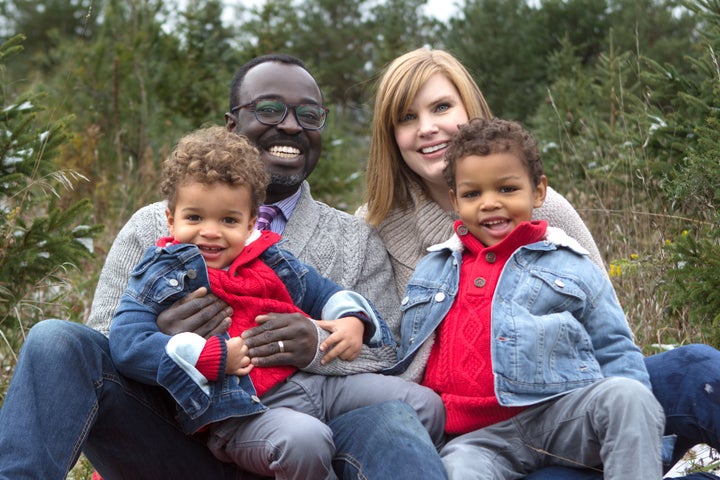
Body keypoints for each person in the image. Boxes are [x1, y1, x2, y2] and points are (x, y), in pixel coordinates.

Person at [0, 54, 448, 480]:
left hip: (308, 441)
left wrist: (316, 343)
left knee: (398, 415)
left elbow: (388, 355)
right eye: (270, 109)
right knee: (54, 340)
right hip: (179, 437)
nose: (291, 125)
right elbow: (102, 345)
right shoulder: (153, 225)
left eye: (309, 115)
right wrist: (167, 339)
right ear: (233, 124)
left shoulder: (353, 238)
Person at [361, 46, 720, 479]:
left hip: (564, 400)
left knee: (696, 372)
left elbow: (606, 329)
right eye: (407, 118)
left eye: (441, 106)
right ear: (390, 134)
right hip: (468, 430)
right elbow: (379, 357)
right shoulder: (375, 227)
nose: (428, 128)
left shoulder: (549, 215)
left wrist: (636, 437)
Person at [108, 125, 444, 479]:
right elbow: (127, 343)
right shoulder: (162, 274)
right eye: (195, 217)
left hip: (316, 385)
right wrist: (206, 357)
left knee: (426, 405)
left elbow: (321, 292)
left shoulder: (270, 260)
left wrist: (352, 319)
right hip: (243, 411)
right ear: (171, 219)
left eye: (228, 220)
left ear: (251, 222)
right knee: (304, 441)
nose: (210, 231)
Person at [392, 116, 665, 478]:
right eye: (473, 194)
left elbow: (615, 348)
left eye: (507, 189)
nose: (490, 203)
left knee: (626, 396)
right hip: (475, 439)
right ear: (456, 201)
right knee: (459, 473)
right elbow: (407, 353)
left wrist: (643, 433)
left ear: (538, 191)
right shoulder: (435, 269)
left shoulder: (570, 263)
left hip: (559, 414)